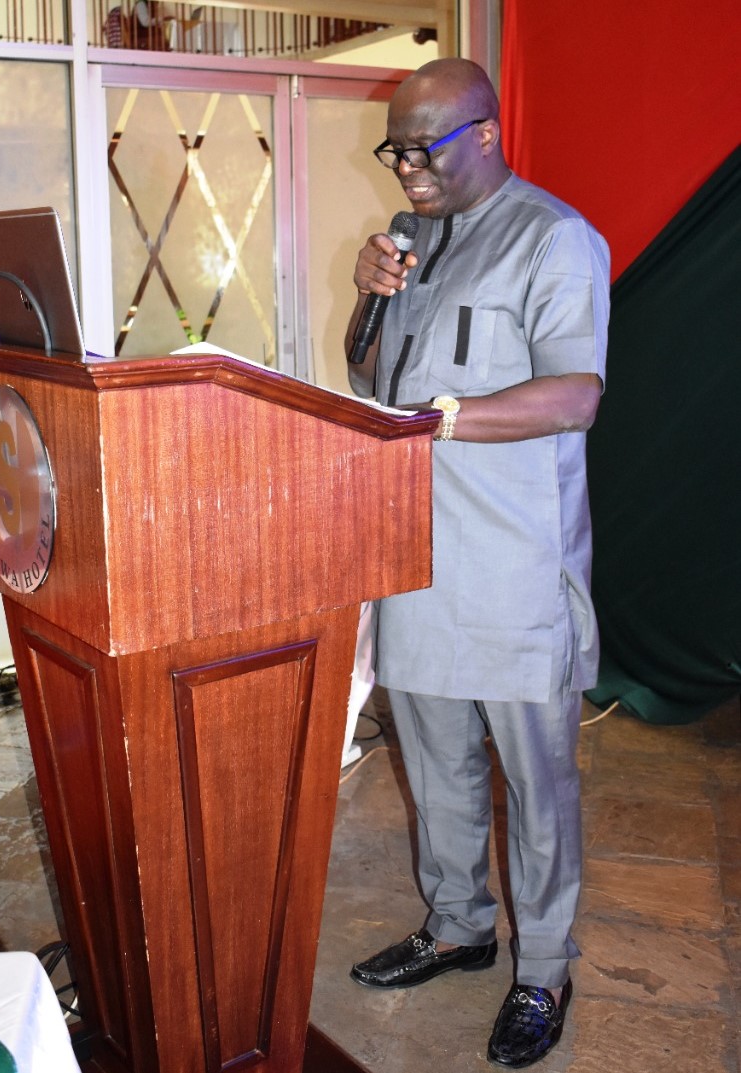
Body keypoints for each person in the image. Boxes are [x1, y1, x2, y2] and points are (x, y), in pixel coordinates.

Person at [344, 58, 610, 1068]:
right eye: (397, 152)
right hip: (417, 556)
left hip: (512, 566)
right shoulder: (408, 238)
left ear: (487, 134)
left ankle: (543, 967)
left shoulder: (553, 238)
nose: (406, 169)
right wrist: (368, 298)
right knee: (435, 764)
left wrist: (445, 418)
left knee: (537, 787)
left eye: (425, 149)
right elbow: (369, 372)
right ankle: (457, 926)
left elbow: (575, 394)